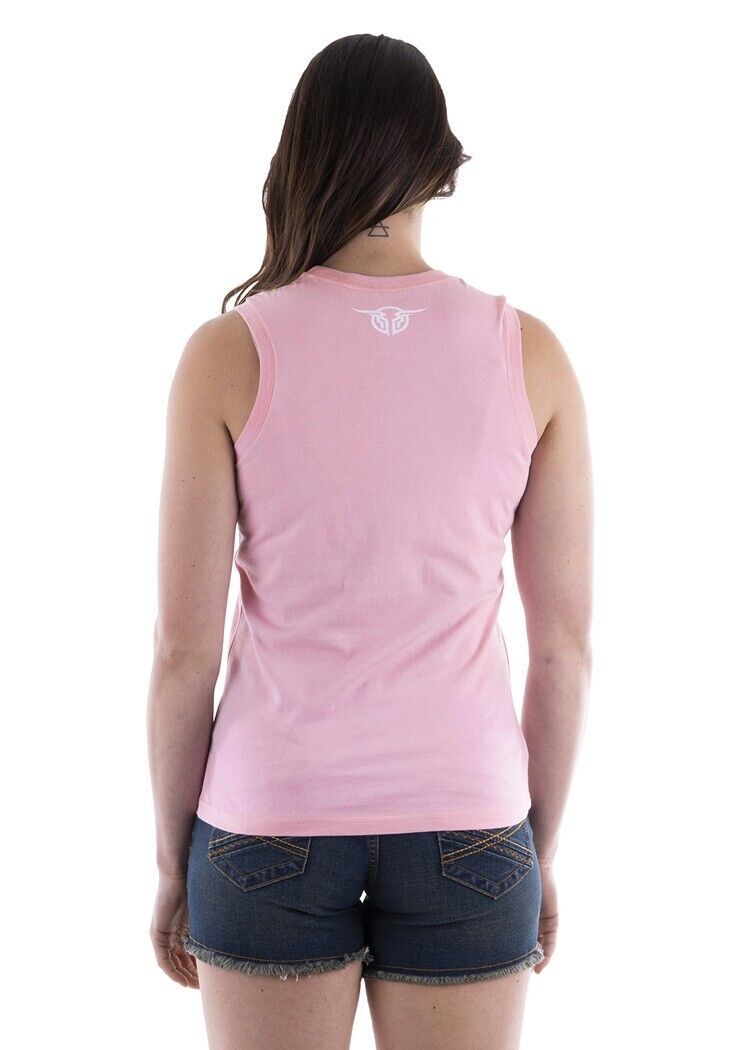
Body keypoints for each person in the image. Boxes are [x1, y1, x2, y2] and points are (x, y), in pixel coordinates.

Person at [147, 32, 593, 1050]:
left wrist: (175, 865)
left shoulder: (228, 353)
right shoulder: (531, 354)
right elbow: (565, 650)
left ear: (298, 157)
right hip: (473, 824)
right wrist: (535, 851)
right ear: (441, 168)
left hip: (268, 820)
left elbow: (182, 652)